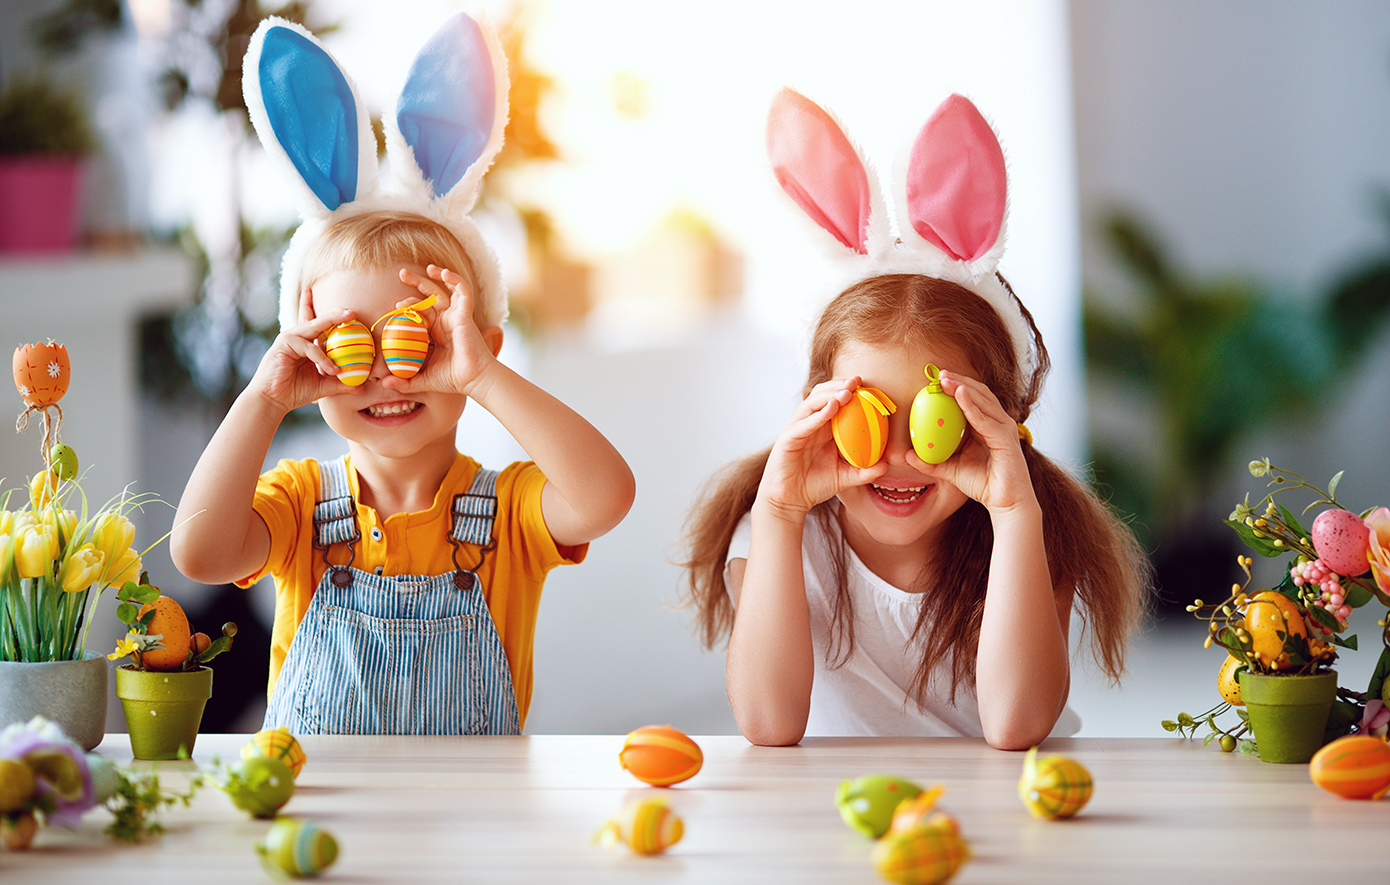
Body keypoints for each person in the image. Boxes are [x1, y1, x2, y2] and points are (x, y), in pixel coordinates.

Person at [170, 14, 634, 735]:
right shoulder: (297, 505)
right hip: (322, 818)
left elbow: (607, 495)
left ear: (479, 346)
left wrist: (483, 378)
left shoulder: (508, 511)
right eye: (354, 343)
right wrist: (263, 399)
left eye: (416, 339)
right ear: (308, 352)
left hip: (470, 827)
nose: (388, 375)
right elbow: (198, 553)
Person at [682, 90, 1147, 750]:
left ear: (998, 420)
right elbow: (767, 721)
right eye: (867, 417)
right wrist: (780, 517)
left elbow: (1016, 725)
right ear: (816, 412)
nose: (898, 456)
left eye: (935, 421)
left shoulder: (1025, 527)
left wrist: (1015, 516)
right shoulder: (778, 529)